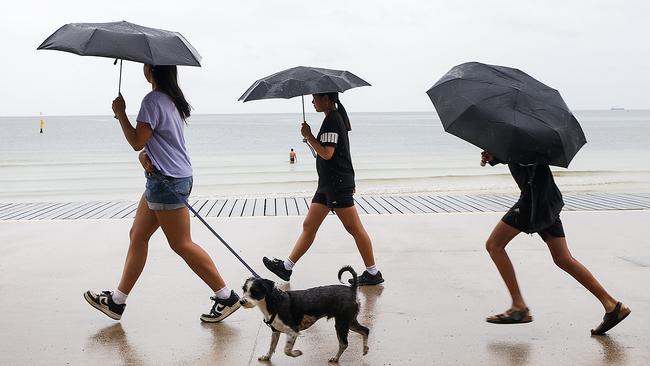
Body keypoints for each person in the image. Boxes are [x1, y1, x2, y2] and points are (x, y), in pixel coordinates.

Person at [84, 64, 240, 323]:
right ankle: (117, 302)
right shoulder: (170, 99)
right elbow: (158, 144)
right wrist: (145, 157)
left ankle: (226, 296)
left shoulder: (153, 100)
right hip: (168, 177)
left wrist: (120, 113)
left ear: (151, 70)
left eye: (145, 65)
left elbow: (137, 140)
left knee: (181, 243)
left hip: (167, 182)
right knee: (138, 235)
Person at [480, 151, 630, 334]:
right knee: (563, 258)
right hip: (546, 199)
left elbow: (528, 157)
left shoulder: (524, 140)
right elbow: (521, 158)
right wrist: (496, 157)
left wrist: (500, 155)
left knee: (494, 245)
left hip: (534, 202)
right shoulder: (518, 139)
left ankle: (518, 306)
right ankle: (613, 306)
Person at [263, 93, 384, 286]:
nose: (312, 102)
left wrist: (309, 136)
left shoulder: (332, 120)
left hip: (336, 184)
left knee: (354, 229)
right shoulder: (332, 119)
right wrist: (310, 138)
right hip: (327, 184)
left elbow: (327, 153)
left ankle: (373, 272)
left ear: (327, 99)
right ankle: (286, 267)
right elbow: (328, 151)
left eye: (315, 98)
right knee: (309, 226)